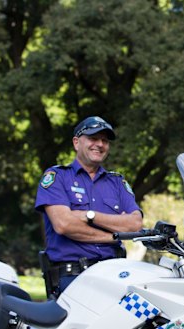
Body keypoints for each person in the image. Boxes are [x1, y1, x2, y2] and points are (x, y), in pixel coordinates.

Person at [35, 116, 143, 295]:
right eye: (93, 138)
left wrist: (89, 215)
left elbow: (135, 224)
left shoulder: (117, 182)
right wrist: (113, 236)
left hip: (114, 275)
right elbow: (64, 225)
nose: (100, 144)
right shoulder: (57, 177)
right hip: (73, 278)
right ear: (76, 143)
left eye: (105, 140)